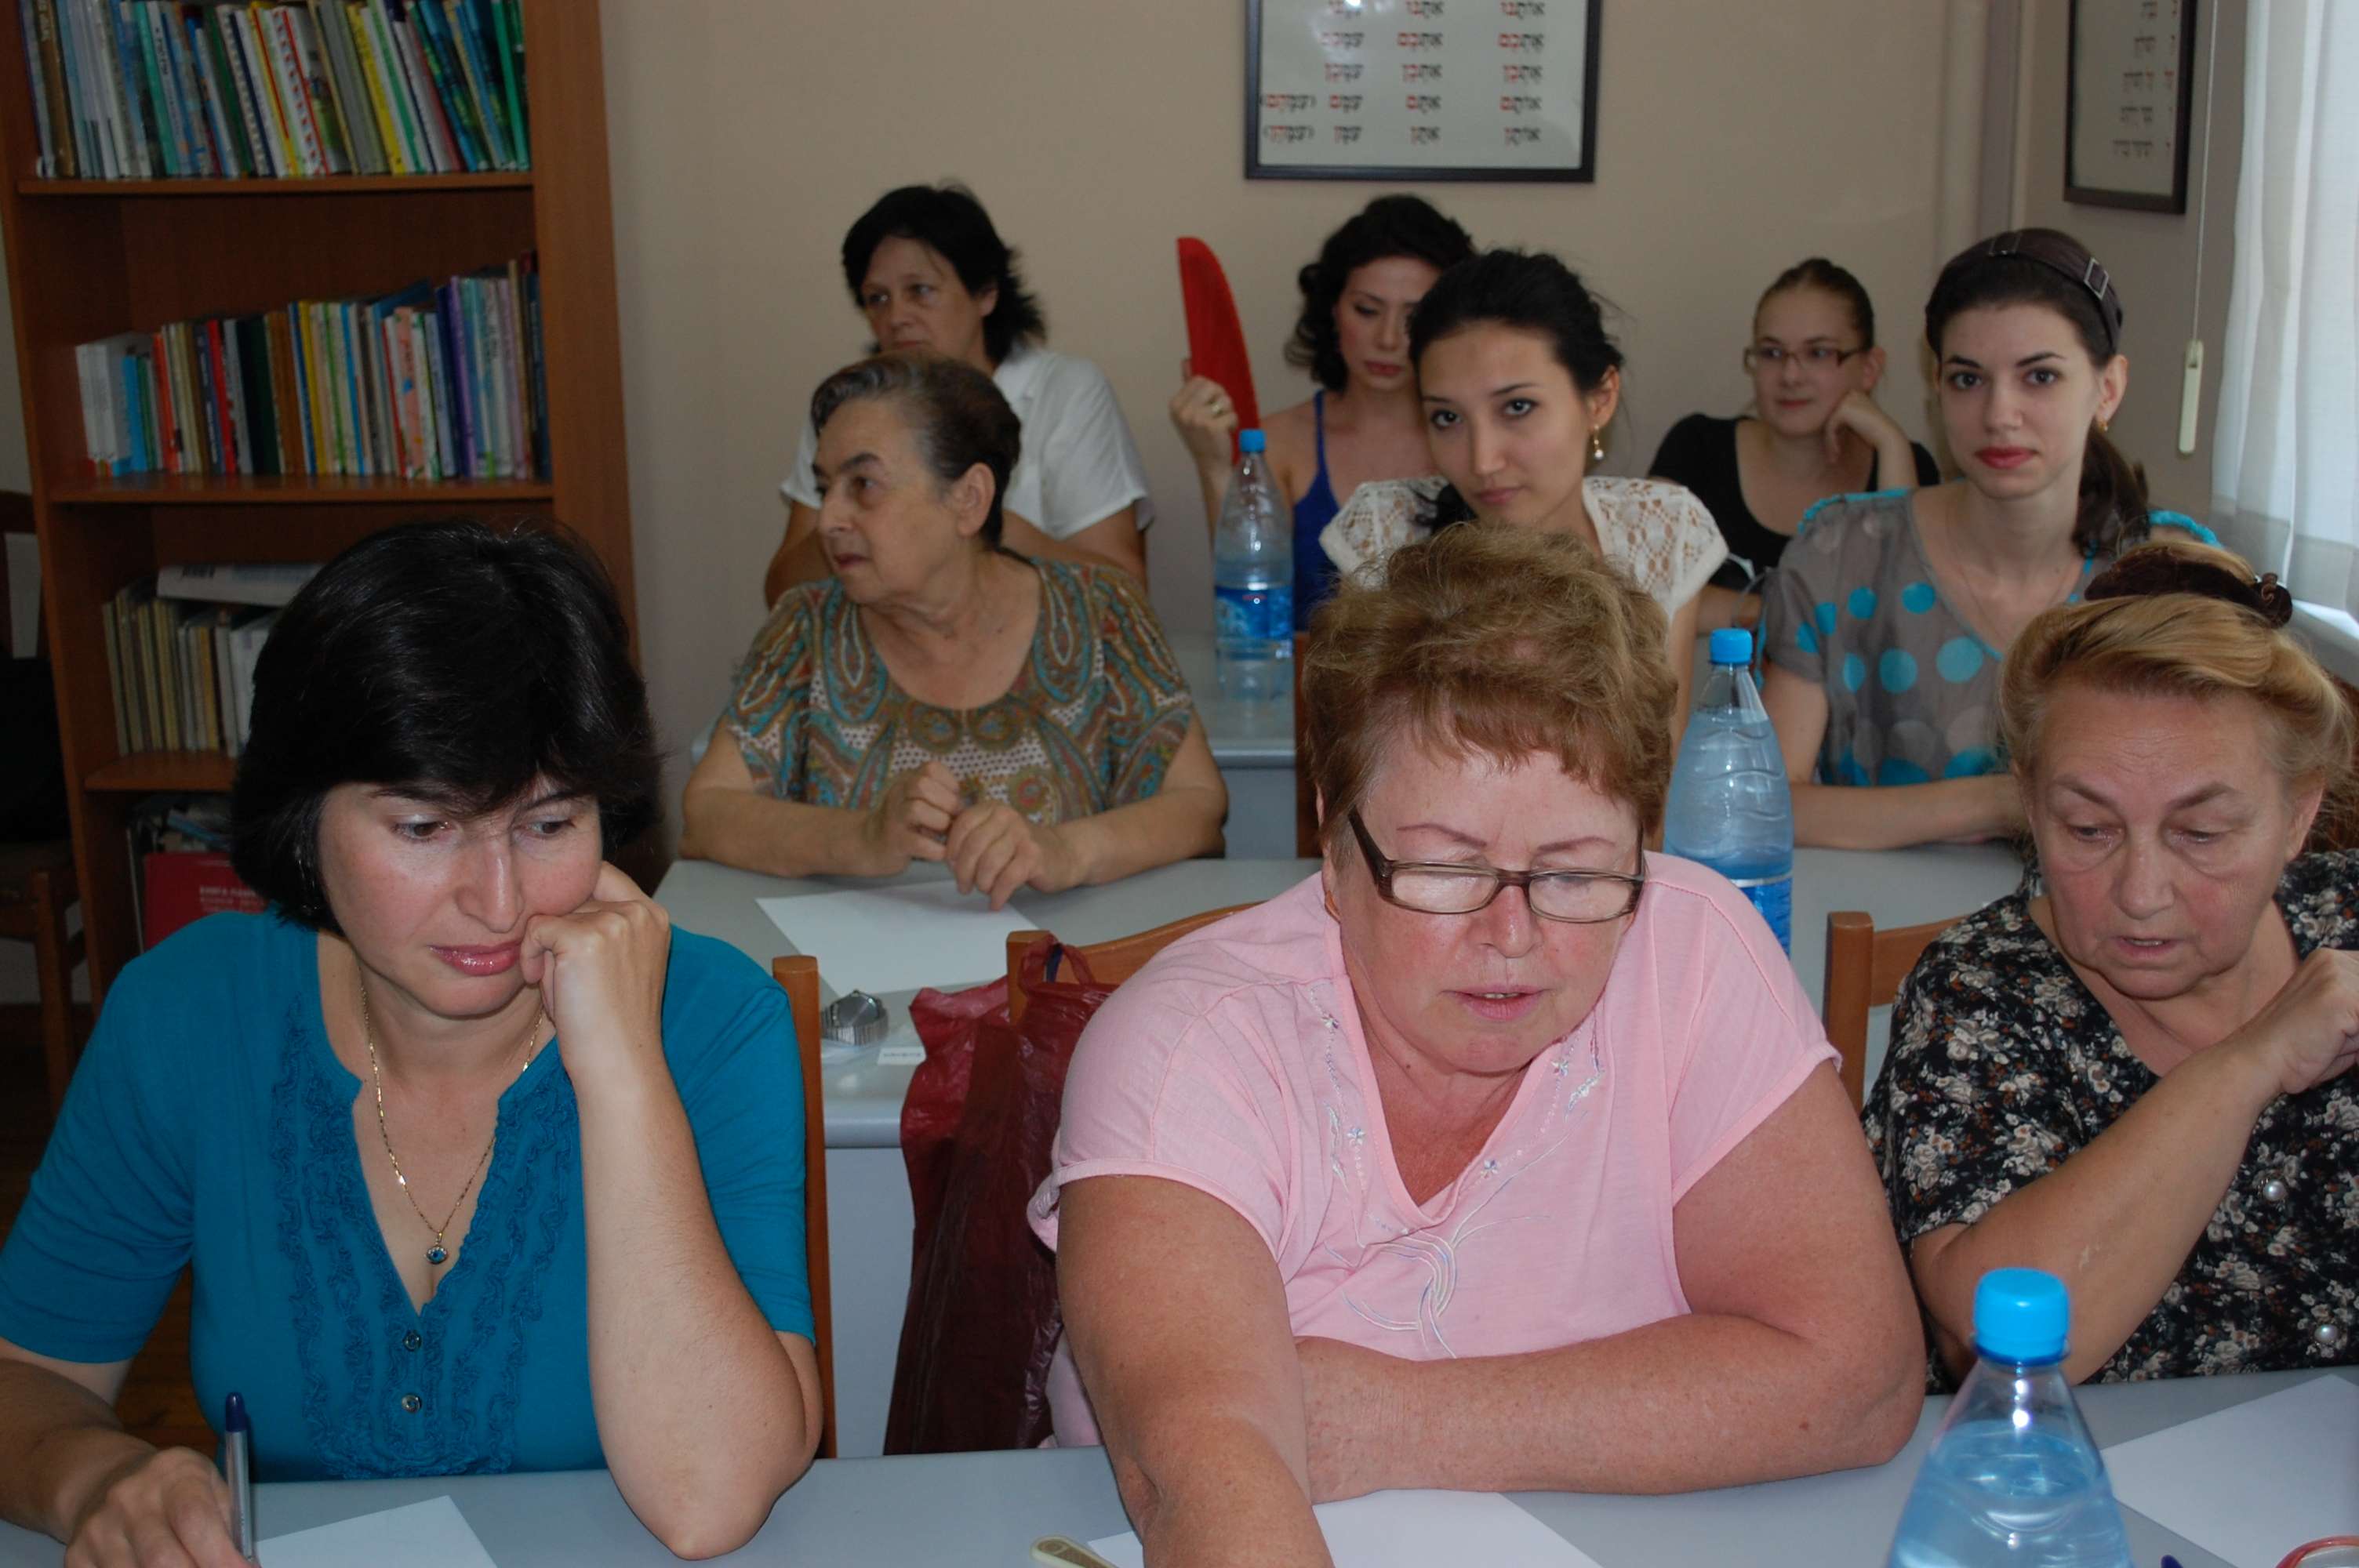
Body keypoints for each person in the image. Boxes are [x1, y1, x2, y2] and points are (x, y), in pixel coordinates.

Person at [1034, 526, 1924, 1563]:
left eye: (1575, 871)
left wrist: (1400, 1420)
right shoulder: (1193, 1047)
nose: (1512, 936)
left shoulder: (1691, 947)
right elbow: (1201, 1475)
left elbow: (1858, 1379)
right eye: (1447, 869)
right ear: (1334, 842)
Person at [0, 521, 820, 1563]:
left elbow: (711, 1499)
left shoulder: (714, 1018)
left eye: (550, 823)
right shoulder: (188, 1012)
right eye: (425, 829)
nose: (499, 900)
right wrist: (95, 1476)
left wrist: (622, 1072)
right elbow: (29, 1376)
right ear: (304, 819)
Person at [1867, 538, 2358, 1385]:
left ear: (2296, 816)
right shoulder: (1980, 993)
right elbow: (1997, 1340)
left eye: (2200, 833)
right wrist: (2250, 1062)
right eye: (2088, 829)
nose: (2140, 893)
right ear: (2031, 807)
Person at [685, 353, 1226, 908]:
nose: (828, 521)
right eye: (826, 490)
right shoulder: (805, 626)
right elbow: (707, 813)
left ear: (969, 500)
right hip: (856, 958)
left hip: (1071, 956)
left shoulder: (1100, 611)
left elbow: (1198, 805)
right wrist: (862, 837)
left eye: (864, 484)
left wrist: (1065, 850)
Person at [1761, 227, 2212, 850]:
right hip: (1873, 912)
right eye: (1968, 380)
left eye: (2040, 377)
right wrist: (2003, 802)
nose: (2000, 415)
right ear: (1937, 387)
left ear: (2107, 389)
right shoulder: (1839, 553)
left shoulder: (2173, 577)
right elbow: (1766, 805)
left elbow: (2216, 812)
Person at [1322, 249, 1727, 721]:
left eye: (1517, 407)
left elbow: (1660, 756)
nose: (1483, 460)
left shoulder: (1660, 532)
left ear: (1600, 399)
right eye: (1447, 417)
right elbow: (1355, 751)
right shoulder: (1384, 534)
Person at [765, 182, 1154, 599]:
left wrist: (984, 524)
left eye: (920, 291)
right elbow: (782, 593)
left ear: (986, 294)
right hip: (884, 634)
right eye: (877, 298)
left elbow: (1126, 592)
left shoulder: (1066, 392)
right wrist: (850, 512)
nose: (896, 317)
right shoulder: (846, 408)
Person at [1168, 194, 1475, 627]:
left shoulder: (1479, 444)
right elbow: (1248, 617)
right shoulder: (1277, 444)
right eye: (1367, 310)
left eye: (1414, 316)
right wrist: (1215, 466)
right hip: (1304, 671)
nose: (1388, 339)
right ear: (1333, 310)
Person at [1648, 258, 1941, 630]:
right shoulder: (1697, 449)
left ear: (1869, 368)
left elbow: (1909, 620)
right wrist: (1792, 617)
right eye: (1772, 353)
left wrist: (1891, 442)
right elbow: (1648, 599)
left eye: (1818, 353)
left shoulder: (1904, 464)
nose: (1790, 375)